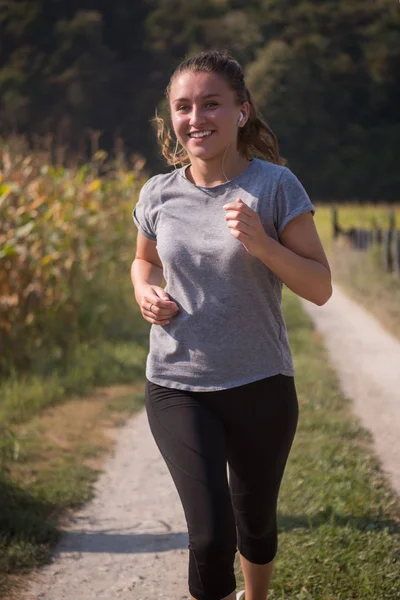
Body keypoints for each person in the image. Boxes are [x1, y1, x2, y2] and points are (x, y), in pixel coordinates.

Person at [131, 50, 332, 600]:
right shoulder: (158, 192)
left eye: (211, 104)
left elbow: (319, 286)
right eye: (184, 107)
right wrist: (143, 289)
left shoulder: (275, 188)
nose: (197, 118)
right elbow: (143, 259)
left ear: (241, 112)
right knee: (211, 536)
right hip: (177, 384)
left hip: (260, 382)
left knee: (256, 527)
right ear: (172, 118)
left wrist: (262, 244)